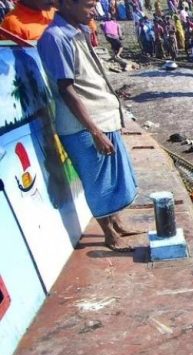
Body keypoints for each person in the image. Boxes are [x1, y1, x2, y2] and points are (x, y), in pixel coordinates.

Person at [38, 0, 143, 252]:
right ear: (67, 5)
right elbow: (67, 89)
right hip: (82, 126)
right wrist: (95, 131)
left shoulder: (79, 31)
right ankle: (109, 235)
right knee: (98, 181)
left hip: (102, 118)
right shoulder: (55, 37)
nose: (94, 11)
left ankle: (116, 222)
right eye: (88, 5)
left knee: (113, 175)